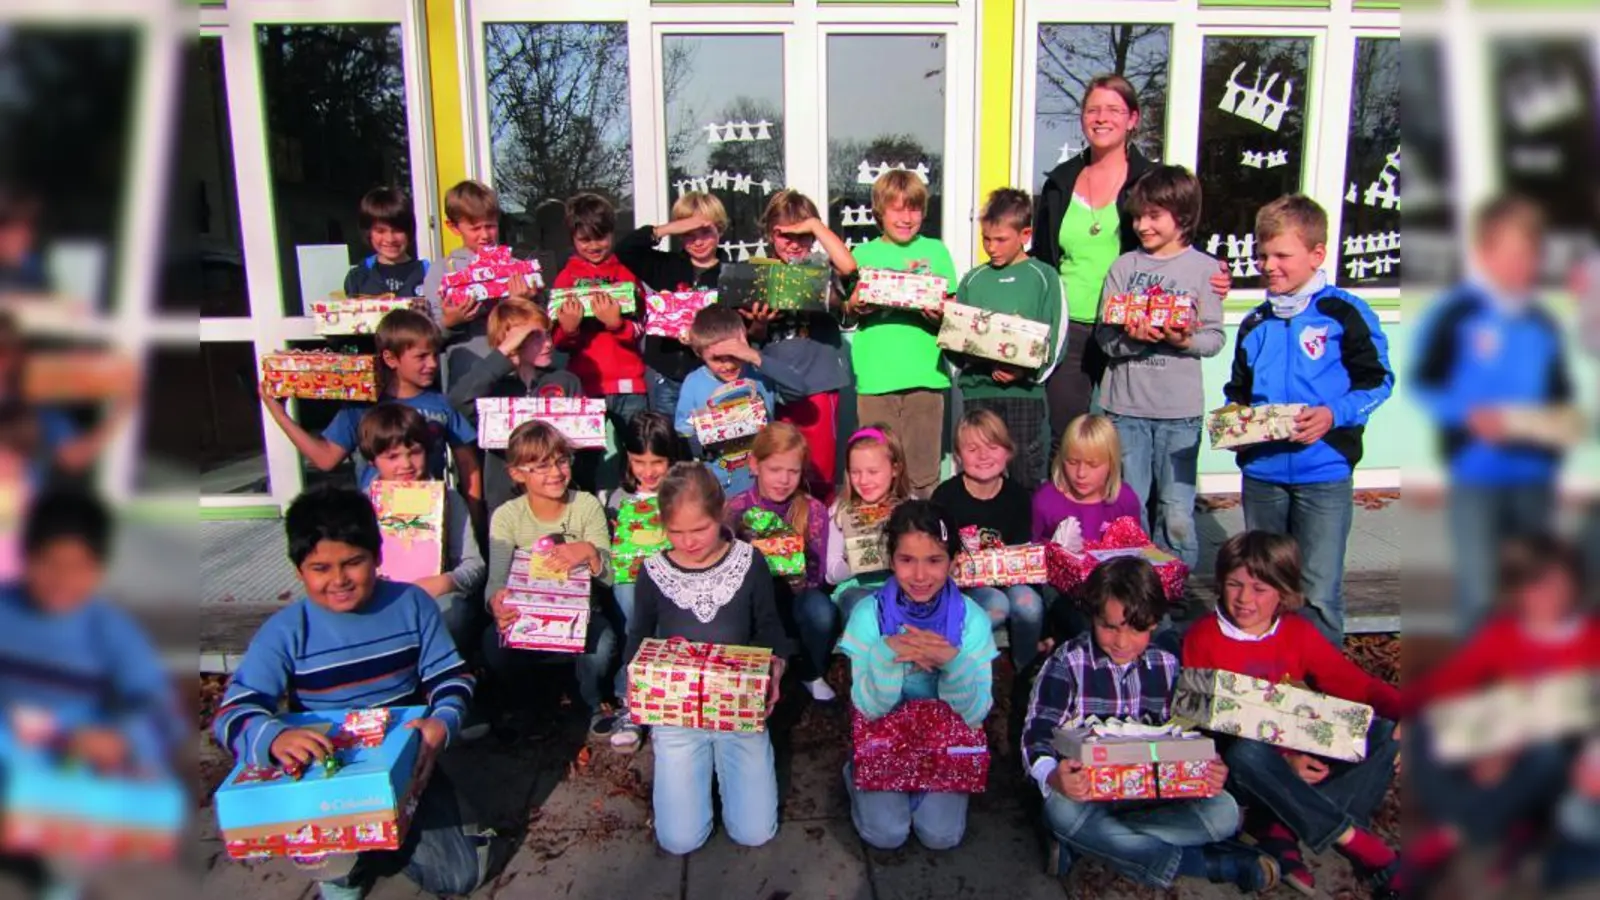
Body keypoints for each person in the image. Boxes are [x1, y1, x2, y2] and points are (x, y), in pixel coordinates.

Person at [212, 486, 487, 900]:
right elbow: (234, 711)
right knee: (340, 870)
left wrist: (441, 723)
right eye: (320, 568)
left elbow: (451, 677)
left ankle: (386, 838)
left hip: (407, 762)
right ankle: (343, 863)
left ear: (377, 556)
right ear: (299, 569)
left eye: (353, 563)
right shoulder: (286, 631)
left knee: (457, 876)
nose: (338, 579)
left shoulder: (413, 604)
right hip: (326, 776)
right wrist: (275, 738)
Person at [1022, 557, 1273, 892]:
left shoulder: (1167, 665)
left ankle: (1095, 844)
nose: (1122, 642)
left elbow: (1186, 735)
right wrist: (1052, 775)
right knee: (1060, 811)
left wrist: (1208, 767)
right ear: (1093, 617)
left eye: (1136, 629)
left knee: (1224, 812)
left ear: (1154, 624)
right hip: (1090, 793)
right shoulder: (1069, 661)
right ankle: (1204, 863)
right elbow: (1036, 732)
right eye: (1109, 626)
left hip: (1155, 792)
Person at [1181, 531, 1404, 897]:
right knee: (1246, 750)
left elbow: (1358, 686)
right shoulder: (1203, 637)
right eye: (1234, 584)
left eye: (1260, 589)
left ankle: (1278, 827)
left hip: (1298, 751)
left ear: (1283, 593)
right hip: (1244, 768)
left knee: (1383, 733)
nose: (1244, 599)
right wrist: (1286, 761)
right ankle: (1362, 847)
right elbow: (1203, 728)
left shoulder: (1297, 633)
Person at [1223, 195, 1394, 643]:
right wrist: (1236, 426)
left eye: (1282, 255)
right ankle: (1268, 687)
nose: (1268, 264)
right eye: (1262, 254)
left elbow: (1379, 382)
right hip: (1262, 475)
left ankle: (1325, 697)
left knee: (1318, 590)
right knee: (1262, 589)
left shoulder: (1344, 312)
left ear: (1317, 254)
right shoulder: (1255, 321)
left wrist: (1332, 415)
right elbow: (1237, 392)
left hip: (1324, 474)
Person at [1032, 74, 1229, 447]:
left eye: (1112, 110)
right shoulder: (1060, 181)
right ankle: (1071, 508)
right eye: (1092, 110)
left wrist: (1218, 273)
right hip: (1069, 328)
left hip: (1132, 325)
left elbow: (1185, 239)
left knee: (1129, 439)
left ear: (1133, 119)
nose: (1101, 118)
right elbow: (1042, 257)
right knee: (1068, 437)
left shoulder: (1151, 180)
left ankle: (1130, 507)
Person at [1412, 194, 1573, 632]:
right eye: (1510, 252)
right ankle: (1478, 681)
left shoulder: (1542, 321)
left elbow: (1560, 395)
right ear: (1484, 252)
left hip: (1534, 479)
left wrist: (1563, 429)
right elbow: (1424, 382)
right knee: (1479, 589)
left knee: (1534, 589)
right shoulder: (1457, 314)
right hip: (1476, 476)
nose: (1521, 263)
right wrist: (1468, 415)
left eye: (1530, 252)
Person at [1400, 535, 1597, 891]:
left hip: (1567, 754)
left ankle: (1454, 835)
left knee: (1547, 753)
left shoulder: (1591, 638)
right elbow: (1447, 683)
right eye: (1535, 585)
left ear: (1575, 585)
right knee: (1429, 727)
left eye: (1556, 584)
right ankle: (1487, 824)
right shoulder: (1503, 632)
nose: (1545, 596)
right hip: (1498, 734)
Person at [623, 462, 791, 855]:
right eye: (677, 532)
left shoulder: (749, 562)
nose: (689, 542)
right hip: (678, 714)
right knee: (679, 839)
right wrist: (634, 680)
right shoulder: (653, 571)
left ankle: (723, 781)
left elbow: (770, 628)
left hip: (737, 709)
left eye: (699, 529)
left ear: (720, 514)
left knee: (754, 832)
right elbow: (640, 634)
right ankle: (693, 784)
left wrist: (775, 667)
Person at [838, 500, 997, 851]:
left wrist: (953, 662)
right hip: (884, 740)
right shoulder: (868, 616)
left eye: (934, 560)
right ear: (891, 560)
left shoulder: (971, 621)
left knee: (941, 837)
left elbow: (975, 713)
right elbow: (867, 708)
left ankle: (917, 792)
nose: (920, 576)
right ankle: (857, 772)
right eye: (906, 560)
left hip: (944, 744)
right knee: (887, 835)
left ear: (954, 561)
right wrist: (886, 652)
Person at [1095, 165, 1225, 573]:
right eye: (1137, 216)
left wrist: (1182, 340)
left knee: (1176, 510)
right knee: (1129, 505)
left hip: (1179, 414)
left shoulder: (1205, 271)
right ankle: (1134, 583)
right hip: (1125, 408)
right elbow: (1105, 338)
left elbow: (1215, 338)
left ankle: (1175, 585)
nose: (1141, 225)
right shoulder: (1123, 268)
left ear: (1182, 216)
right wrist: (1134, 339)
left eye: (1153, 216)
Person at [262, 309, 483, 515]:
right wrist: (280, 415)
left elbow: (467, 464)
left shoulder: (442, 404)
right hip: (376, 518)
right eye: (422, 356)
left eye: (435, 355)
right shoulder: (362, 407)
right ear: (390, 358)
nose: (433, 363)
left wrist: (473, 517)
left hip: (431, 512)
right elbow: (326, 459)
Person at [481, 422, 616, 737]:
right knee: (493, 642)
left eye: (562, 460)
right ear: (517, 473)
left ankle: (592, 700)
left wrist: (590, 553)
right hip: (528, 616)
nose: (555, 472)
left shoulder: (585, 506)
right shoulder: (506, 516)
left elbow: (609, 579)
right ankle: (527, 702)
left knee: (603, 641)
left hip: (582, 615)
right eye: (541, 466)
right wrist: (496, 604)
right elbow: (495, 580)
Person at [845, 170, 958, 498]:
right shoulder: (862, 255)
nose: (906, 218)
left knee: (923, 475)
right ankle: (879, 545)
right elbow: (847, 310)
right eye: (897, 209)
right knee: (877, 473)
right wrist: (856, 306)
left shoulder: (936, 251)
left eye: (914, 209)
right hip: (876, 380)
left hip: (926, 377)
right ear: (880, 211)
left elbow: (952, 311)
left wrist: (939, 314)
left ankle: (925, 543)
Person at [743, 190, 856, 503]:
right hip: (772, 388)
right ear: (769, 235)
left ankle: (819, 544)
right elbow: (751, 336)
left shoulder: (824, 269)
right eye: (783, 235)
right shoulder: (758, 273)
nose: (793, 243)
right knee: (777, 470)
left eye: (802, 235)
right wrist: (760, 324)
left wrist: (816, 227)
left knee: (817, 473)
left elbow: (849, 270)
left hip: (818, 386)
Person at [950, 188, 1063, 491]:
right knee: (979, 474)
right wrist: (978, 360)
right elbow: (956, 341)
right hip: (979, 394)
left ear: (1025, 234)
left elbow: (1057, 337)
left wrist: (1025, 371)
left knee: (1025, 473)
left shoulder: (1044, 276)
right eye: (986, 239)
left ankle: (1025, 536)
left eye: (1001, 240)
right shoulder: (973, 279)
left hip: (1024, 395)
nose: (991, 247)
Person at [358, 404, 485, 657]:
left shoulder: (449, 499)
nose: (406, 464)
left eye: (414, 452)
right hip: (378, 597)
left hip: (433, 597)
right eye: (392, 457)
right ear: (372, 460)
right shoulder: (361, 505)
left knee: (453, 613)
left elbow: (475, 565)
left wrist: (445, 581)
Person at [727, 422, 838, 702]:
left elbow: (819, 571)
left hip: (797, 598)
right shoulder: (735, 509)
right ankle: (749, 668)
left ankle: (810, 670)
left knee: (820, 610)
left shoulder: (813, 510)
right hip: (751, 602)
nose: (784, 480)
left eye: (793, 471)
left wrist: (802, 580)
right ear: (754, 465)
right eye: (775, 470)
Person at [931, 409, 1047, 671]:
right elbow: (933, 550)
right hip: (963, 586)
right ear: (959, 457)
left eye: (992, 447)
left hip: (1009, 580)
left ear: (1008, 452)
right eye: (973, 449)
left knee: (1028, 604)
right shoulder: (946, 496)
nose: (983, 456)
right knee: (996, 604)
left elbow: (1024, 556)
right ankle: (954, 663)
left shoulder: (1018, 496)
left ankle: (1026, 673)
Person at [446, 298, 582, 516]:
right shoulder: (491, 387)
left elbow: (581, 438)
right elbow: (457, 404)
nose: (548, 343)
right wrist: (502, 356)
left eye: (547, 334)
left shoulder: (565, 381)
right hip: (505, 500)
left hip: (559, 499)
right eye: (534, 338)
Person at [551, 193, 648, 489]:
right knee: (584, 461)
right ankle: (587, 517)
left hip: (631, 384)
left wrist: (617, 325)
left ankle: (640, 520)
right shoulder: (565, 279)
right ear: (572, 239)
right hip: (587, 385)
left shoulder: (627, 275)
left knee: (640, 455)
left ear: (612, 234)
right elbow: (557, 342)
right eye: (584, 240)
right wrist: (568, 329)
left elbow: (643, 326)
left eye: (601, 237)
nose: (594, 246)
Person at [604, 410, 682, 753]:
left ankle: (665, 698)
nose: (648, 472)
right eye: (639, 462)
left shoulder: (683, 494)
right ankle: (633, 702)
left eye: (657, 462)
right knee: (632, 616)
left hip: (676, 580)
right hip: (631, 585)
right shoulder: (617, 500)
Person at [614, 191, 728, 418]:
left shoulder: (729, 274)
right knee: (667, 442)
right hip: (665, 373)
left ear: (720, 230)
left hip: (710, 375)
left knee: (707, 442)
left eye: (705, 232)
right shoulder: (666, 266)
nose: (697, 241)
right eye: (688, 233)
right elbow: (624, 250)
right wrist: (664, 230)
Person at [672, 305, 806, 495]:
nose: (727, 365)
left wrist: (753, 356)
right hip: (718, 485)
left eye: (734, 356)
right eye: (717, 359)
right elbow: (683, 432)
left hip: (761, 485)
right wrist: (710, 432)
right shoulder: (694, 383)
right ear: (699, 354)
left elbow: (799, 389)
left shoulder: (759, 375)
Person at [420, 179, 538, 386]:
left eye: (490, 226)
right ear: (453, 227)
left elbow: (540, 324)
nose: (485, 235)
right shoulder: (443, 271)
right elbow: (427, 339)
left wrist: (524, 303)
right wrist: (450, 323)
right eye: (475, 228)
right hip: (468, 378)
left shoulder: (517, 267)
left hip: (516, 375)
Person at [827, 426, 915, 622]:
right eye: (855, 472)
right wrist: (854, 560)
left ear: (895, 469)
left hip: (904, 588)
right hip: (857, 590)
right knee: (862, 605)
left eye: (873, 472)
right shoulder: (839, 511)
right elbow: (830, 573)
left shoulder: (912, 507)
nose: (863, 480)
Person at [1031, 413, 1141, 545]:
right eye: (1072, 462)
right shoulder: (1046, 499)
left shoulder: (1125, 499)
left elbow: (1135, 552)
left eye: (1093, 465)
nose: (1081, 473)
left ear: (1111, 463)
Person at [342, 186, 428, 299]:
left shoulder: (428, 273)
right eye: (380, 231)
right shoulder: (358, 277)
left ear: (409, 230)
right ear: (368, 232)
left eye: (397, 230)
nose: (390, 239)